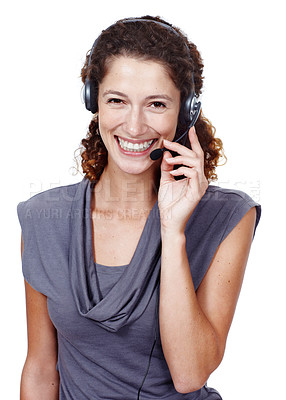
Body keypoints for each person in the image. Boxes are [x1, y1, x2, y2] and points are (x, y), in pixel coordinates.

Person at [17, 15, 261, 400]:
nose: (133, 126)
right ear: (92, 100)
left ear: (186, 110)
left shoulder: (228, 217)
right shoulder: (43, 218)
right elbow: (40, 368)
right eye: (117, 100)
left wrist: (172, 230)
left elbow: (189, 374)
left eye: (156, 104)